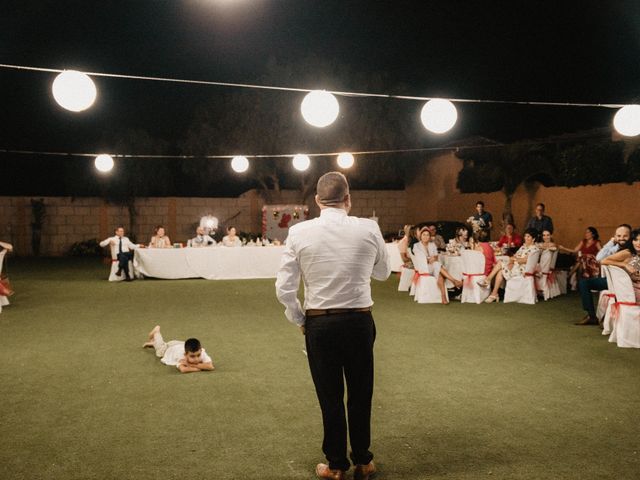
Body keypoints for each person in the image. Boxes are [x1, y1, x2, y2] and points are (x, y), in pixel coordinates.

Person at [275, 172, 389, 480]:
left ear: (316, 201)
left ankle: (337, 465)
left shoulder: (298, 232)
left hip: (320, 323)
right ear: (348, 199)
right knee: (361, 392)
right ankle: (363, 461)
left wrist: (299, 318)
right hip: (359, 320)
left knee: (330, 396)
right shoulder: (369, 228)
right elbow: (383, 273)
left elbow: (284, 288)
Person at [576, 224, 631, 325]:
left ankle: (608, 316)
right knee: (584, 283)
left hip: (626, 284)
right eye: (618, 236)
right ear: (615, 236)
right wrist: (611, 242)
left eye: (625, 236)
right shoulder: (616, 247)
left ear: (630, 236)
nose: (622, 238)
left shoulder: (632, 249)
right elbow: (599, 258)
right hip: (611, 281)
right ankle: (591, 316)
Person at [485, 228, 540, 303]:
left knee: (501, 262)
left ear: (533, 239)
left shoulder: (535, 249)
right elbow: (514, 257)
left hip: (523, 270)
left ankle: (489, 279)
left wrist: (514, 261)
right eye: (525, 236)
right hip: (516, 267)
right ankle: (494, 293)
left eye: (528, 237)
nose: (525, 238)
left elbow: (524, 260)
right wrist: (512, 262)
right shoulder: (523, 247)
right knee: (501, 270)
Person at [413, 227, 463, 304]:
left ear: (430, 237)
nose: (425, 237)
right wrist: (429, 259)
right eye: (424, 235)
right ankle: (454, 280)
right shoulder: (416, 246)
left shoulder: (432, 244)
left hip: (433, 266)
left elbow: (436, 255)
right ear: (420, 236)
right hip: (424, 268)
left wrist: (433, 258)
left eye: (427, 235)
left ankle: (443, 297)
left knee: (440, 274)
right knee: (437, 265)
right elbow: (420, 258)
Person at [142, 325, 215, 373]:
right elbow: (183, 369)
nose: (196, 359)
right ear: (185, 354)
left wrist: (190, 364)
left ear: (201, 350)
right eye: (192, 356)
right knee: (159, 352)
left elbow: (211, 367)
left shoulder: (201, 352)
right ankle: (157, 332)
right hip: (168, 349)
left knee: (162, 345)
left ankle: (154, 343)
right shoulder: (181, 356)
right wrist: (200, 367)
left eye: (198, 355)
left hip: (179, 344)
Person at [602, 228, 640, 303]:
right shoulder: (628, 253)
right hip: (630, 289)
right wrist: (624, 264)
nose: (638, 243)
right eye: (635, 240)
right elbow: (604, 261)